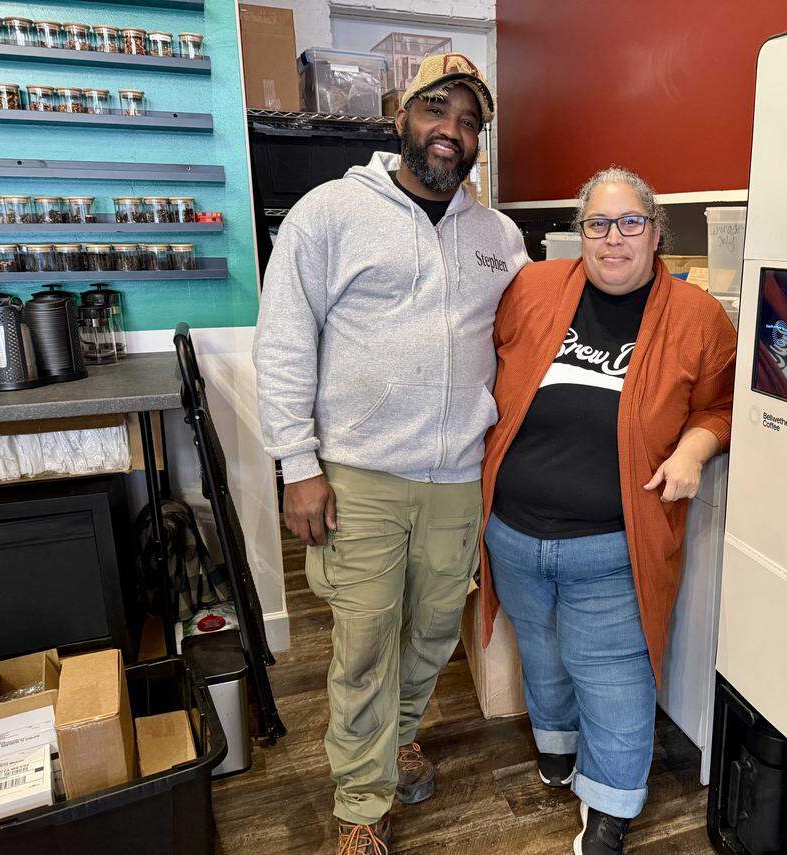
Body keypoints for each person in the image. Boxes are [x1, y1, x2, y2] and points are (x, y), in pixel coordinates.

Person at [253, 53, 529, 855]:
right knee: (365, 640)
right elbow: (284, 344)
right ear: (401, 119)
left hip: (454, 479)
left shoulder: (498, 236)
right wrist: (296, 465)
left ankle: (400, 736)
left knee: (434, 633)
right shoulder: (330, 213)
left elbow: (523, 336)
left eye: (470, 120)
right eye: (437, 111)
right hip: (360, 477)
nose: (452, 131)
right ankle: (361, 803)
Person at [479, 167, 737, 854]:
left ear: (655, 233)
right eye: (598, 223)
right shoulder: (533, 288)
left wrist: (693, 449)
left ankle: (611, 809)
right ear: (579, 233)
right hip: (513, 533)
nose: (613, 238)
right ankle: (557, 746)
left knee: (615, 677)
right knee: (542, 656)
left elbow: (720, 403)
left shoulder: (696, 316)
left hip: (613, 543)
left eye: (630, 223)